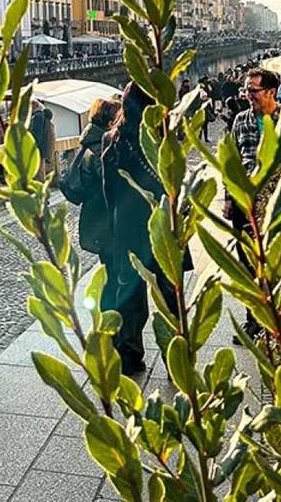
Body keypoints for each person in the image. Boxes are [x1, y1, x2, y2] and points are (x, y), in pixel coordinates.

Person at [226, 67, 281, 341]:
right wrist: (229, 198)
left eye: (252, 91)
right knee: (249, 266)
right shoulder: (241, 120)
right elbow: (232, 163)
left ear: (271, 92)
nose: (247, 95)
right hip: (245, 206)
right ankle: (254, 322)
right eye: (246, 90)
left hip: (278, 207)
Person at [101, 83, 180, 374]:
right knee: (170, 295)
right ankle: (176, 360)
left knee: (131, 294)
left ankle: (130, 356)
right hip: (162, 223)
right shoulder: (164, 138)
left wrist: (115, 222)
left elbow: (108, 186)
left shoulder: (113, 139)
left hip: (128, 225)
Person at [60, 97, 121, 259]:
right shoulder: (101, 149)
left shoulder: (93, 143)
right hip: (105, 221)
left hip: (98, 219)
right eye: (120, 121)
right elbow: (111, 184)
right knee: (113, 273)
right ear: (110, 124)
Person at [29, 105, 56, 178]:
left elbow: (37, 134)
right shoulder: (50, 125)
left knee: (38, 171)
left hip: (38, 149)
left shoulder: (37, 117)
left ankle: (40, 187)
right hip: (44, 149)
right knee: (41, 170)